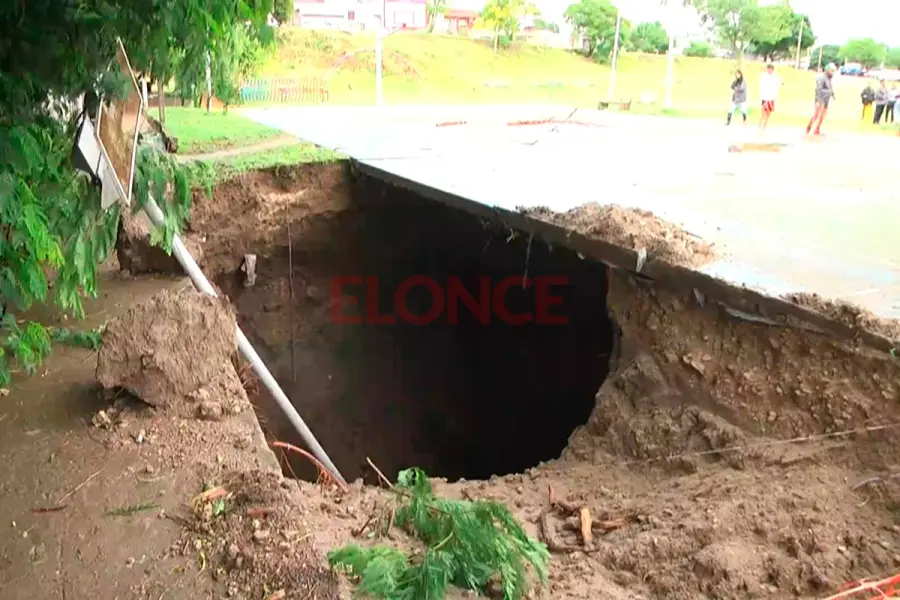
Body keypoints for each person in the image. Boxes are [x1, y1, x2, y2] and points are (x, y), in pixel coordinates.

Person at [806, 63, 836, 136]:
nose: (832, 72)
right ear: (827, 70)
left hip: (826, 99)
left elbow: (830, 87)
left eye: (833, 71)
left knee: (823, 115)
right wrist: (817, 100)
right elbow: (818, 89)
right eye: (831, 70)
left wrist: (832, 94)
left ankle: (817, 129)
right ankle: (809, 128)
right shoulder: (821, 77)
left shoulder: (829, 78)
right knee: (816, 115)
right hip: (821, 98)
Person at [758, 63, 781, 132]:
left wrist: (781, 83)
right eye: (768, 69)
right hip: (764, 98)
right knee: (763, 114)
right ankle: (759, 127)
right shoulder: (764, 75)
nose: (769, 70)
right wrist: (765, 69)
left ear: (773, 70)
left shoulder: (775, 76)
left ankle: (764, 128)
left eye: (771, 69)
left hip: (771, 99)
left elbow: (779, 84)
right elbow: (761, 68)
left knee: (768, 115)